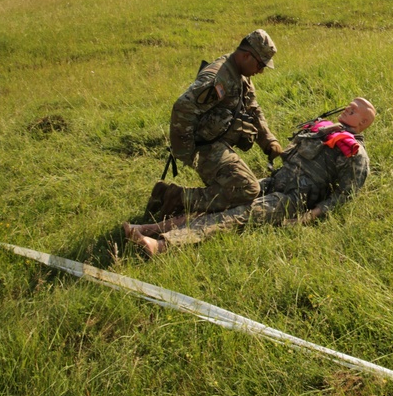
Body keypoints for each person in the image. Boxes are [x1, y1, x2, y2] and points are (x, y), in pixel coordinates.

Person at [126, 97, 376, 257]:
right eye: (349, 105)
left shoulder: (354, 152)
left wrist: (311, 215)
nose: (347, 109)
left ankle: (162, 245)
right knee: (226, 199)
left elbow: (346, 194)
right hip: (275, 182)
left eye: (354, 111)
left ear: (363, 122)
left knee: (234, 216)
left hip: (292, 199)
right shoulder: (323, 129)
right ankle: (150, 228)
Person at [146, 29, 284, 220]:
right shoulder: (219, 78)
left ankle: (163, 194)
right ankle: (178, 197)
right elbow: (183, 107)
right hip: (204, 146)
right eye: (260, 64)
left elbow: (253, 109)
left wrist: (269, 141)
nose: (260, 71)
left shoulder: (242, 76)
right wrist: (187, 152)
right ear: (246, 56)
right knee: (248, 189)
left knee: (237, 185)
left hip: (217, 142)